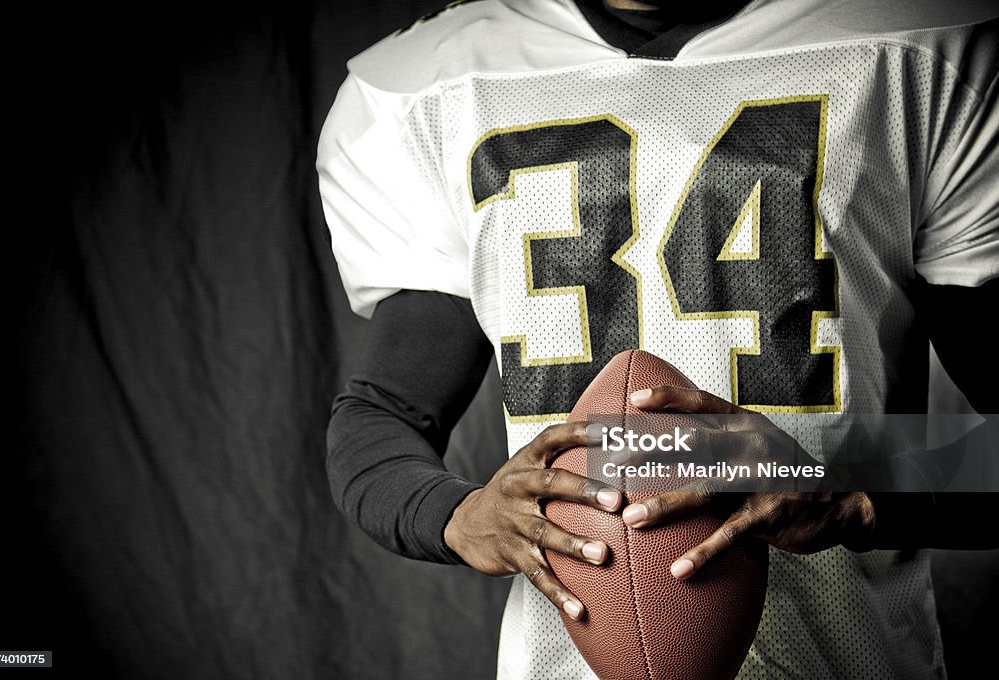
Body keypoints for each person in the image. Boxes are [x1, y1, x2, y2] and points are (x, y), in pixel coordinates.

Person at [317, 0, 998, 677]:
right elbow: (382, 416)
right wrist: (459, 513)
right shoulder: (433, 86)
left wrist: (847, 487)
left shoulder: (916, 46)